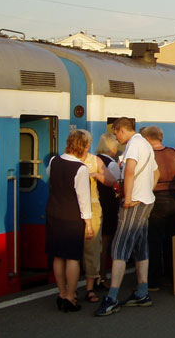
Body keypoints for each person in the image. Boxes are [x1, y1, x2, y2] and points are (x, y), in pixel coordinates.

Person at [95, 117, 159, 317]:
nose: (116, 138)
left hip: (134, 203)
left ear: (121, 130)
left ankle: (112, 298)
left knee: (119, 248)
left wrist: (129, 198)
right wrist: (148, 191)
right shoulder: (146, 145)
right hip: (146, 200)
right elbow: (156, 173)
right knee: (141, 248)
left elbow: (129, 171)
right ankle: (142, 292)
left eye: (116, 133)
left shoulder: (133, 145)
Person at [46, 130, 94, 312]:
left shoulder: (54, 161)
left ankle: (61, 293)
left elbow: (51, 177)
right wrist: (88, 223)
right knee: (73, 258)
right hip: (72, 217)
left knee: (58, 255)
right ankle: (70, 297)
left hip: (53, 213)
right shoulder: (81, 168)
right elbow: (83, 198)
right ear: (84, 146)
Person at [141, 126, 175, 291]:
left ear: (147, 138)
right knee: (174, 240)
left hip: (156, 199)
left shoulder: (148, 155)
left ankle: (154, 280)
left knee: (153, 241)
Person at [80, 130, 112, 304]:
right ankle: (76, 289)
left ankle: (89, 287)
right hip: (79, 208)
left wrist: (96, 175)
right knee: (85, 248)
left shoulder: (95, 160)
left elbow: (110, 179)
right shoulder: (65, 160)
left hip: (91, 208)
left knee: (91, 248)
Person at [95, 133, 121, 291]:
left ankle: (96, 274)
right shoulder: (111, 164)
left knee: (98, 244)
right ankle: (102, 276)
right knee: (105, 244)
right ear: (112, 148)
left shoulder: (93, 160)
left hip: (97, 204)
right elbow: (118, 186)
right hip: (109, 206)